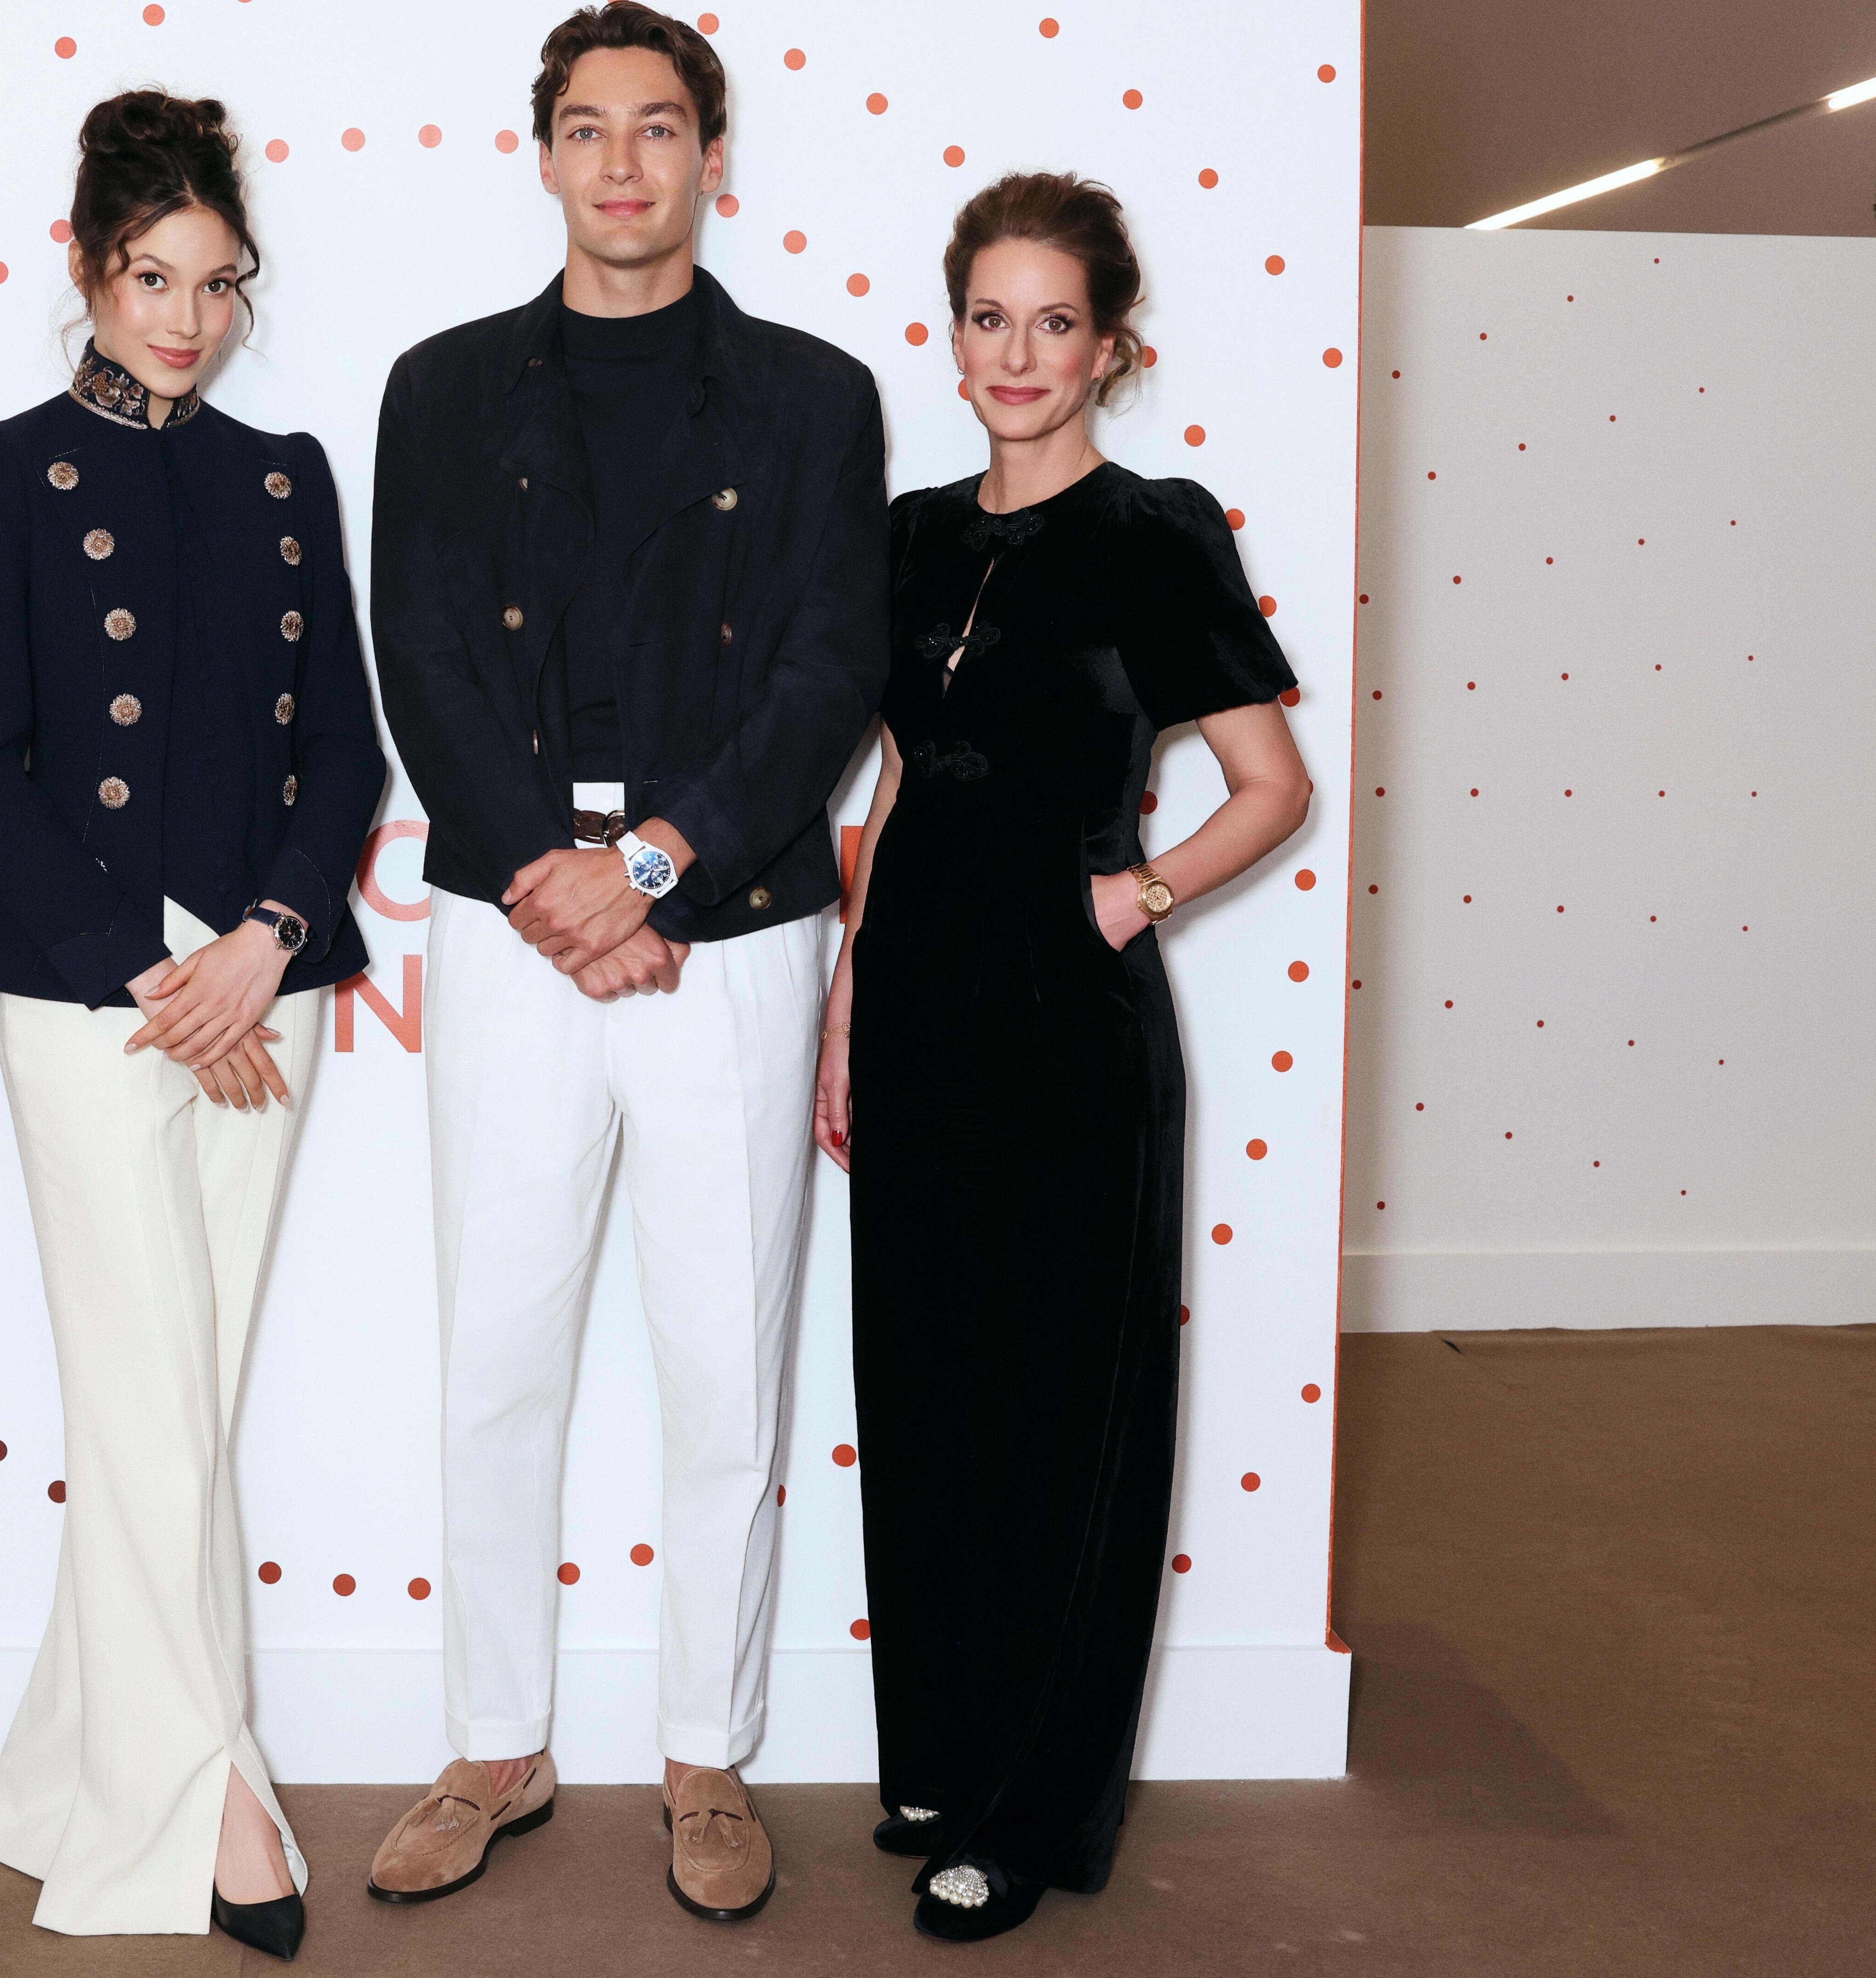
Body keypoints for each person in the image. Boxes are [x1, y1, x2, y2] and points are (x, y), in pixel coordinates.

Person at [365, 2, 886, 1926]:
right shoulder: (440, 388)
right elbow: (421, 650)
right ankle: (493, 1742)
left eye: (658, 128)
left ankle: (704, 1751)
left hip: (730, 918)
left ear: (710, 156)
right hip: (515, 914)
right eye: (587, 128)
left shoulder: (817, 397)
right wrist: (550, 880)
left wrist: (655, 862)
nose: (623, 164)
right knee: (495, 1353)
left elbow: (830, 667)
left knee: (722, 1361)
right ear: (544, 155)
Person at [813, 171, 1315, 1943]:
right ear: (952, 337)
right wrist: (847, 1006)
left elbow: (1274, 786)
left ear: (1112, 347)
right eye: (989, 318)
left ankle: (1029, 1809)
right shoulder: (907, 537)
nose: (1017, 354)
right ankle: (941, 1761)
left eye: (1054, 323)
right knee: (924, 1391)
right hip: (917, 1007)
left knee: (1052, 1411)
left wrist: (1134, 896)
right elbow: (892, 783)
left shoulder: (1155, 534)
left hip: (1069, 1026)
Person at [0, 91, 383, 1963]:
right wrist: (150, 971)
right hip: (89, 989)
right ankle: (212, 1804)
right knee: (140, 1397)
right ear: (86, 269)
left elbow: (343, 745)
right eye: (153, 279)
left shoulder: (284, 474)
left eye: (219, 282)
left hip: (266, 984)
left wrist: (265, 939)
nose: (190, 319)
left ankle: (62, 1775)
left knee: (183, 1403)